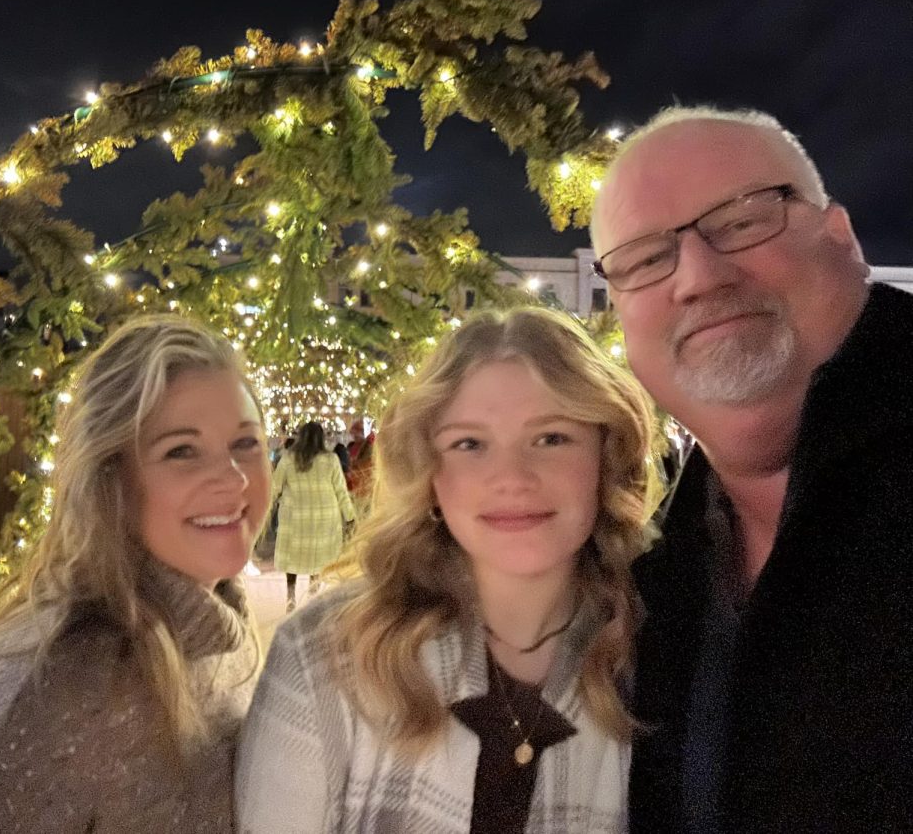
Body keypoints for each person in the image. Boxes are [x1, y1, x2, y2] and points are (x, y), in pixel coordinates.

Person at [590, 105, 913, 833]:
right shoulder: (651, 588)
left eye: (741, 221)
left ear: (842, 239)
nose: (699, 277)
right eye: (645, 260)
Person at [237, 307, 656, 833]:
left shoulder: (661, 659)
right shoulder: (323, 660)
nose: (512, 477)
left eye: (551, 437)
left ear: (606, 457)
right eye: (470, 444)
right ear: (431, 476)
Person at [0, 316, 270, 833]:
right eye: (181, 451)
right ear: (112, 479)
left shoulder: (218, 632)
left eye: (246, 443)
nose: (233, 479)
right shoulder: (62, 681)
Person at [270, 421, 356, 612]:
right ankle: (313, 594)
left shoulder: (288, 458)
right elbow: (340, 491)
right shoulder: (331, 459)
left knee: (293, 557)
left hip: (295, 517)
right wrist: (350, 516)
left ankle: (290, 596)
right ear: (321, 438)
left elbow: (275, 487)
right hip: (324, 517)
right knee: (318, 557)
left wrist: (267, 507)